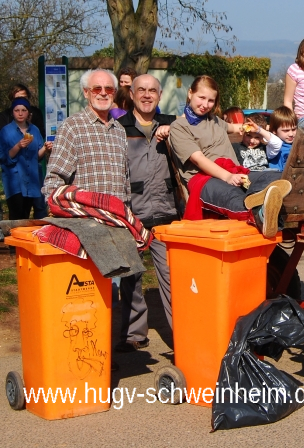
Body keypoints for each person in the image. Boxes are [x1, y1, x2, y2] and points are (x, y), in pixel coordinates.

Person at [167, 75, 291, 237]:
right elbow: (198, 159)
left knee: (277, 176)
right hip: (204, 179)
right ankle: (260, 213)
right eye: (201, 98)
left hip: (236, 172)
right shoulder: (179, 126)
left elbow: (236, 128)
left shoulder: (215, 121)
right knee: (234, 196)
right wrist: (227, 176)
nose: (205, 105)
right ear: (190, 93)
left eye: (211, 100)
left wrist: (256, 128)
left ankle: (261, 202)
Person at [115, 74, 177, 351]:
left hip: (167, 212)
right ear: (132, 94)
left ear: (160, 94)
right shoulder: (119, 128)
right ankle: (133, 334)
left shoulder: (173, 125)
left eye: (152, 90)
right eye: (141, 90)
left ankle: (182, 333)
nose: (147, 95)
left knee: (172, 276)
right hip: (131, 214)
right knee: (131, 277)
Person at [43, 69, 131, 201]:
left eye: (108, 89)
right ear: (86, 92)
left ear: (114, 93)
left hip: (117, 217)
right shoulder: (72, 127)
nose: (103, 93)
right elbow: (54, 179)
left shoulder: (119, 130)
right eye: (96, 89)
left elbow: (125, 182)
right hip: (85, 217)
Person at [0, 98, 53, 219]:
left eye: (23, 110)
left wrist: (45, 148)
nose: (20, 113)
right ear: (12, 112)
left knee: (27, 216)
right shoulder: (5, 131)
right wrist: (18, 146)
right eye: (16, 110)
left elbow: (37, 157)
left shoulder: (34, 130)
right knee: (17, 217)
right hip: (15, 181)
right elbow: (3, 158)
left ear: (28, 112)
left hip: (32, 181)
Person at [267, 107, 297, 171]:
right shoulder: (273, 145)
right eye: (286, 130)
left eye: (294, 129)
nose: (291, 134)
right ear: (274, 130)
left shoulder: (297, 144)